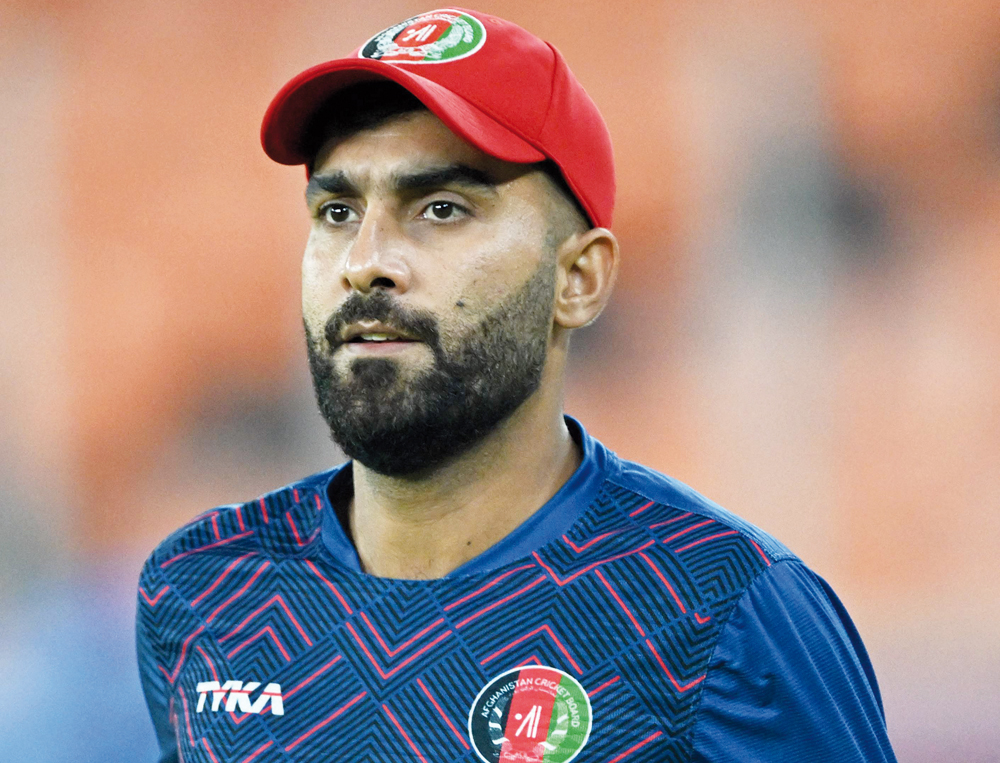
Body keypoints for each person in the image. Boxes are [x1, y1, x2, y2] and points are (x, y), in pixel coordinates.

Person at [136, 9, 897, 763]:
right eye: (337, 211)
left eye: (442, 208)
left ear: (579, 278)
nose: (364, 260)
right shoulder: (205, 587)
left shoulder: (724, 607)